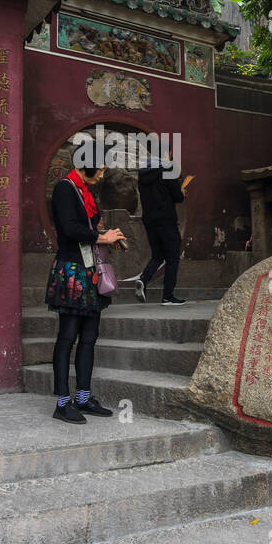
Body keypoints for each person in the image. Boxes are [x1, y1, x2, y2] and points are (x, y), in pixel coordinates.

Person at [44, 158, 125, 423]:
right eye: (99, 169)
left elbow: (88, 227)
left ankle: (83, 397)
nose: (101, 175)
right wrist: (102, 237)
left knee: (89, 337)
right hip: (72, 271)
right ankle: (62, 402)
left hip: (90, 271)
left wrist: (106, 234)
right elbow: (70, 229)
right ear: (85, 164)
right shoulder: (64, 188)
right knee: (67, 337)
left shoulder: (85, 191)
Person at [133, 140, 187, 305]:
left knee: (158, 255)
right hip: (166, 219)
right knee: (172, 257)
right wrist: (182, 191)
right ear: (165, 154)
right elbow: (177, 197)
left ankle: (144, 279)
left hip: (149, 221)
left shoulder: (143, 173)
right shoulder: (167, 169)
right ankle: (167, 296)